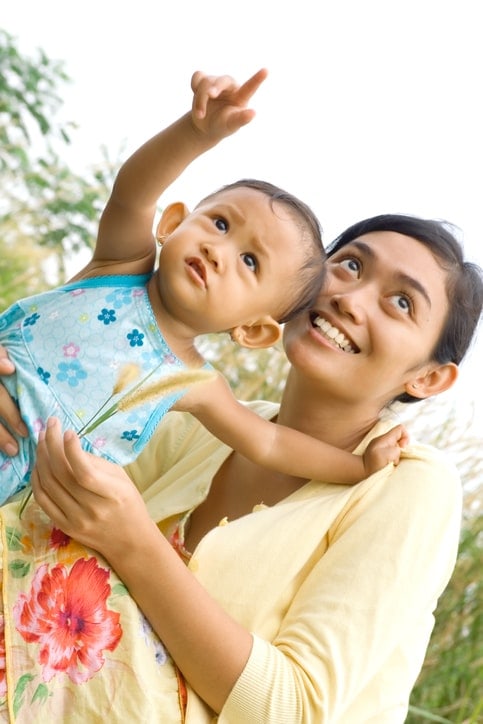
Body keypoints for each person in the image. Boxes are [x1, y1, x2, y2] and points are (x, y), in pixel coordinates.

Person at [0, 212, 480, 722]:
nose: (351, 299)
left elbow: (292, 709)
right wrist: (16, 386)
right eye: (350, 265)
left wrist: (132, 543)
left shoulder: (410, 484)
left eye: (401, 303)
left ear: (430, 378)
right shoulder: (200, 419)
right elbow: (36, 499)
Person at [0, 67, 407, 509]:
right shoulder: (121, 265)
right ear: (173, 224)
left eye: (249, 262)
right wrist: (195, 133)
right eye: (220, 223)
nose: (219, 250)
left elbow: (270, 443)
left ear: (253, 330)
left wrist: (360, 467)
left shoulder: (194, 382)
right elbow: (132, 195)